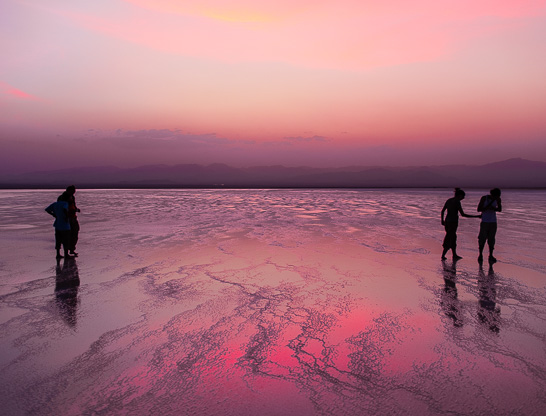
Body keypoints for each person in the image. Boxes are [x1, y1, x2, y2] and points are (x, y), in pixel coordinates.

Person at [441, 188, 481, 260]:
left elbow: (443, 211)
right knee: (450, 238)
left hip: (447, 222)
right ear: (459, 195)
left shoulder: (449, 200)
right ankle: (443, 255)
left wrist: (442, 220)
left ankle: (454, 255)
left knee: (453, 238)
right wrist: (476, 216)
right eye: (463, 196)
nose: (463, 198)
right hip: (453, 222)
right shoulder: (457, 202)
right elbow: (463, 214)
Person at [477, 188, 502, 264]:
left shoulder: (498, 199)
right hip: (485, 221)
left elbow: (500, 209)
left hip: (493, 222)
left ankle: (490, 255)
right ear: (492, 194)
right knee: (482, 238)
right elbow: (478, 209)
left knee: (491, 239)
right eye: (496, 196)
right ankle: (480, 254)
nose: (497, 197)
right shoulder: (484, 198)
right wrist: (487, 208)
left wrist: (494, 209)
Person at [45, 193, 73, 259]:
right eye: (70, 198)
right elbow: (64, 209)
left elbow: (47, 210)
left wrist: (54, 215)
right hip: (65, 226)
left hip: (57, 225)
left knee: (58, 240)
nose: (71, 199)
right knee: (66, 240)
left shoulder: (55, 204)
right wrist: (66, 217)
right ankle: (66, 254)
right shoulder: (65, 203)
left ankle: (58, 254)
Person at [64, 185, 81, 256]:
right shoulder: (63, 197)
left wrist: (76, 209)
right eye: (73, 191)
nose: (74, 192)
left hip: (73, 217)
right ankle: (66, 252)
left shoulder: (72, 197)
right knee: (67, 235)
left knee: (75, 232)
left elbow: (74, 205)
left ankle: (71, 249)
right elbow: (62, 208)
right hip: (67, 218)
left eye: (74, 191)